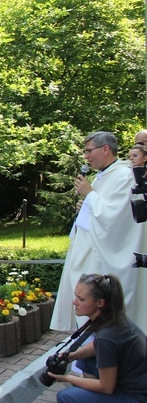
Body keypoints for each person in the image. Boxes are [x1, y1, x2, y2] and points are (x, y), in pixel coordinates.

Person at [50, 131, 147, 332]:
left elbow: (117, 215)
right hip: (85, 250)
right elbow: (98, 206)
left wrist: (90, 196)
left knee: (101, 311)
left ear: (105, 149)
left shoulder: (124, 175)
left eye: (89, 151)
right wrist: (85, 204)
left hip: (101, 257)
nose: (86, 156)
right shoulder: (102, 176)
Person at [48, 273, 147, 403]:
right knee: (85, 359)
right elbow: (96, 346)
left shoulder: (107, 337)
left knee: (66, 400)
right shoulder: (114, 317)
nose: (74, 302)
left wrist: (65, 378)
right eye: (75, 296)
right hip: (137, 387)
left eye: (81, 298)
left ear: (100, 303)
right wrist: (72, 356)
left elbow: (106, 387)